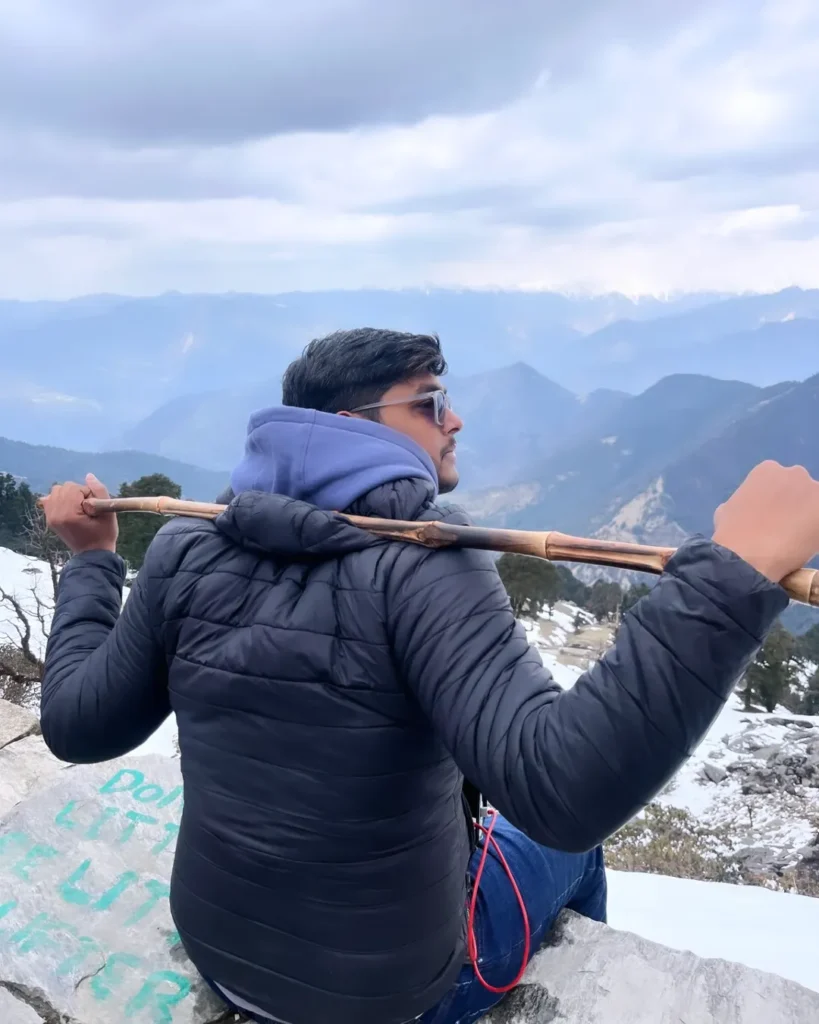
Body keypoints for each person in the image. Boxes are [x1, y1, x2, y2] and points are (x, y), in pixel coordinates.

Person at [39, 328, 819, 1024]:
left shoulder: (184, 548)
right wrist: (731, 575)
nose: (455, 421)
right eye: (430, 402)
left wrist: (93, 561)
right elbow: (562, 793)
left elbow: (77, 725)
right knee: (573, 853)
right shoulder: (421, 562)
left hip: (220, 952)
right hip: (387, 1000)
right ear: (348, 427)